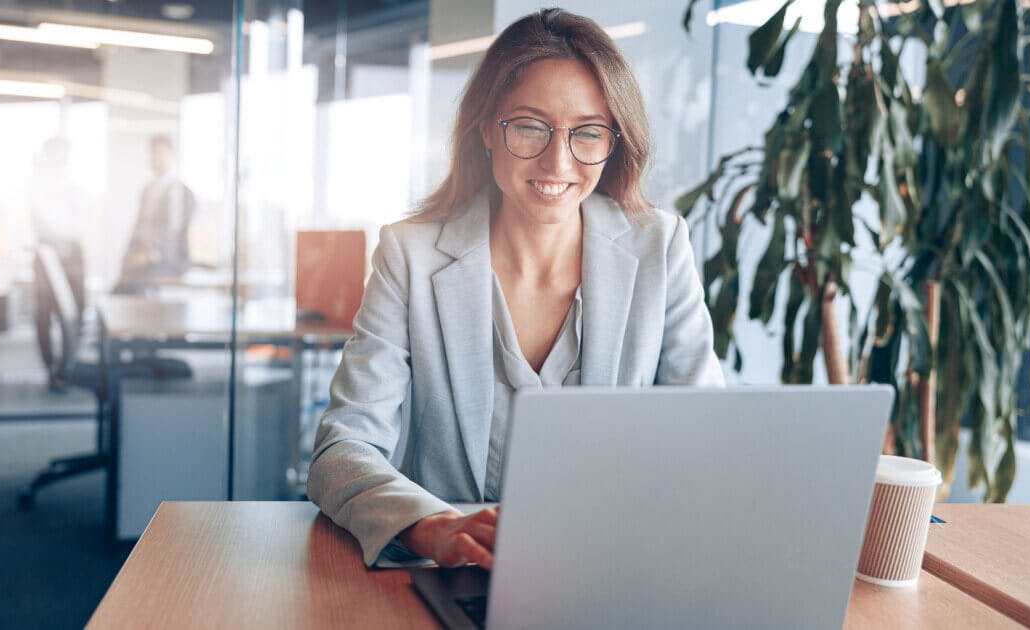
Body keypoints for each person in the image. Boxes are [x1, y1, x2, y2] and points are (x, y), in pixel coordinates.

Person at [307, 8, 725, 569]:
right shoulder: (410, 254)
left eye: (587, 132)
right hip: (457, 575)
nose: (559, 161)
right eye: (530, 126)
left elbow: (709, 440)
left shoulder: (659, 246)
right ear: (486, 128)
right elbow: (342, 451)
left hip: (616, 568)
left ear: (614, 139)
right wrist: (435, 529)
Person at [29, 137, 87, 388]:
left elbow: (82, 220)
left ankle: (67, 366)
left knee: (76, 312)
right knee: (45, 312)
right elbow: (41, 219)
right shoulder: (38, 183)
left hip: (73, 253)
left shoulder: (74, 185)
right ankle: (51, 367)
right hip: (48, 253)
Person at [113, 135, 195, 294]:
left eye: (160, 153)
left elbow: (172, 234)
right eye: (152, 153)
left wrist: (149, 255)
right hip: (143, 260)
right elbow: (137, 228)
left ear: (171, 155)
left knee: (132, 287)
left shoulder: (178, 191)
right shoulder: (147, 190)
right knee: (119, 287)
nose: (155, 158)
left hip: (168, 262)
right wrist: (127, 259)